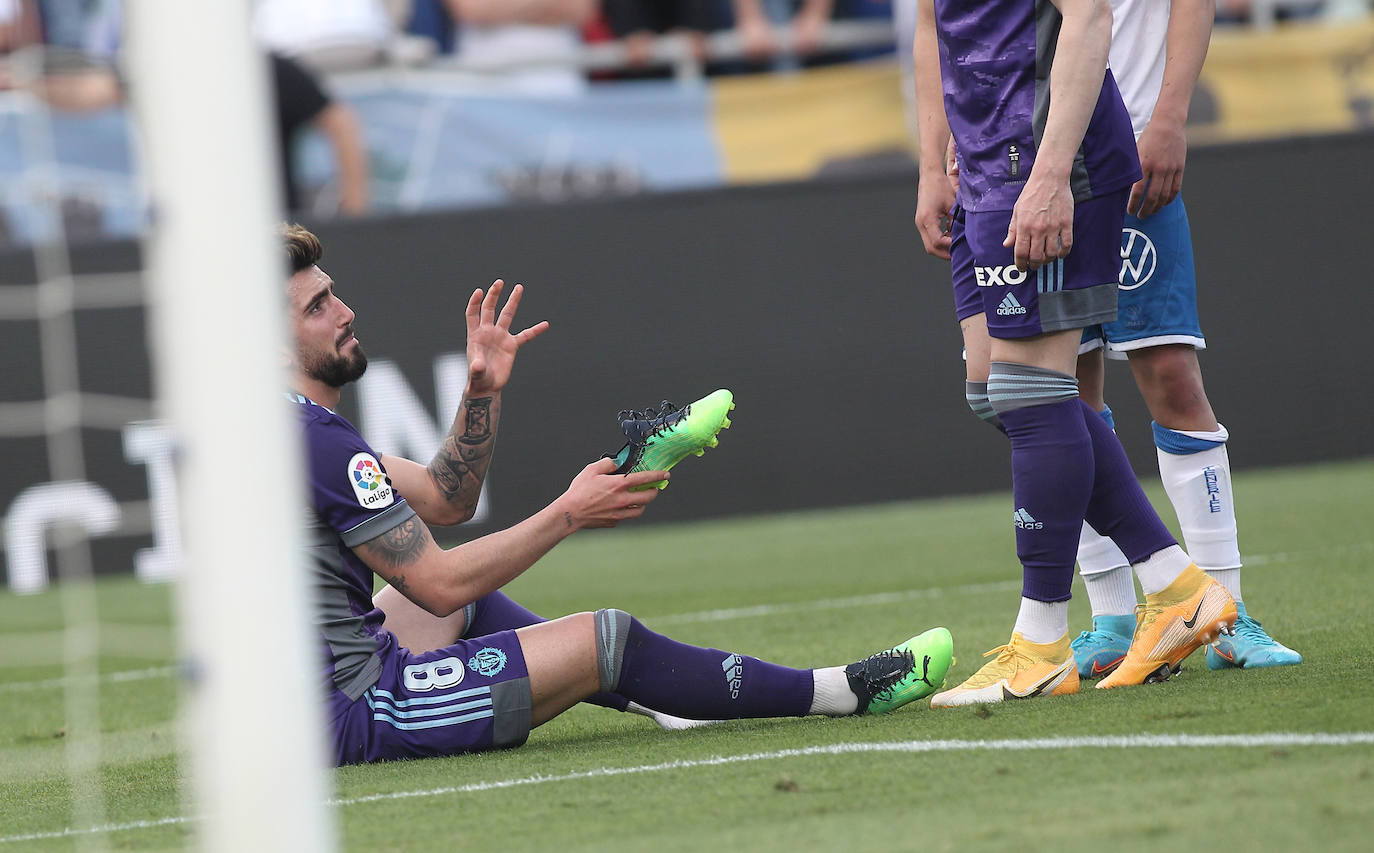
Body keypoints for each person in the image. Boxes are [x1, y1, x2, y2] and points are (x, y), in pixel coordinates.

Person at [280, 223, 954, 765]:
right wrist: (570, 511)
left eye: (332, 293)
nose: (345, 311)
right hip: (354, 713)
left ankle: (669, 699)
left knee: (472, 607)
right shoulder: (316, 441)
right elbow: (440, 582)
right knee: (610, 638)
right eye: (317, 306)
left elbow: (446, 497)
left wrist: (481, 392)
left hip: (303, 702)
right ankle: (840, 693)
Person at [911, 0, 1235, 703]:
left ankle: (1042, 643)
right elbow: (930, 26)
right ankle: (1176, 585)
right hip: (982, 163)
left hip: (1047, 155)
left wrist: (1053, 172)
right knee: (993, 389)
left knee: (1031, 393)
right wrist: (932, 162)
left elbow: (1089, 15)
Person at [1067, 0, 1300, 677]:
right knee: (1060, 397)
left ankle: (1225, 614)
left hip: (1133, 149)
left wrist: (1170, 118)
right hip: (1034, 166)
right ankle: (1109, 619)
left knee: (1172, 374)